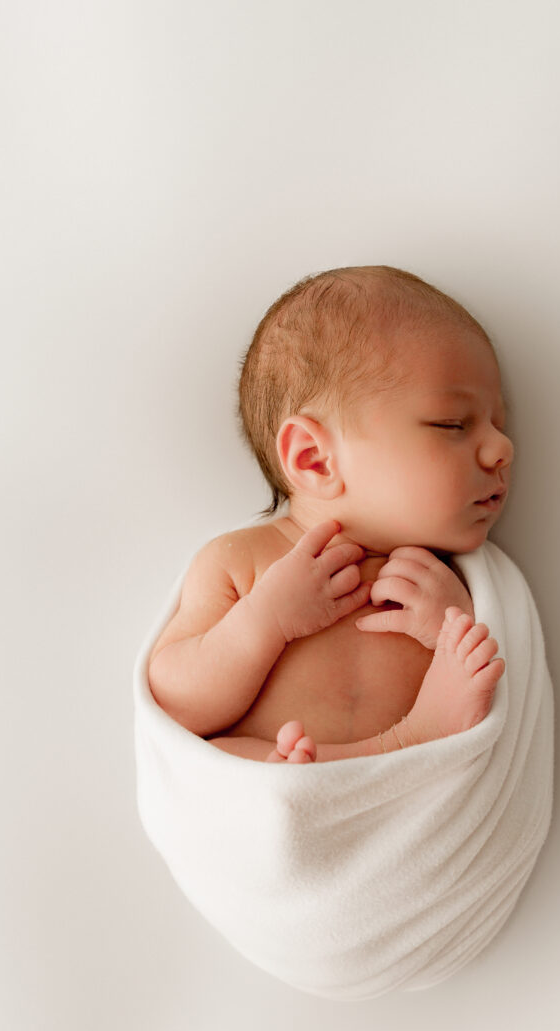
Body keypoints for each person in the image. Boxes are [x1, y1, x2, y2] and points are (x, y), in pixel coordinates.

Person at [148, 266, 514, 763]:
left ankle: (413, 741)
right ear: (314, 459)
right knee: (232, 754)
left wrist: (450, 627)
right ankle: (314, 780)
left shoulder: (456, 581)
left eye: (498, 423)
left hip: (403, 799)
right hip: (276, 779)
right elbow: (174, 704)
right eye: (453, 423)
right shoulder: (243, 563)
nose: (501, 448)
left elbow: (499, 685)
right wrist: (264, 620)